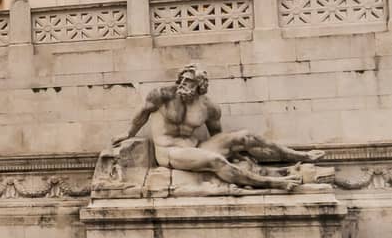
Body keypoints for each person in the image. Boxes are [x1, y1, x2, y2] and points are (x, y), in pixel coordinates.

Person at [114, 65, 324, 191]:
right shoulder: (162, 95)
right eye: (183, 80)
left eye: (190, 82)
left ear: (200, 86)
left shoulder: (209, 107)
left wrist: (233, 149)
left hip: (198, 146)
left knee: (245, 136)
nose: (184, 85)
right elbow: (142, 113)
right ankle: (273, 183)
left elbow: (217, 135)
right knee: (215, 161)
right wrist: (128, 133)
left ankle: (300, 156)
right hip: (169, 152)